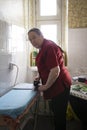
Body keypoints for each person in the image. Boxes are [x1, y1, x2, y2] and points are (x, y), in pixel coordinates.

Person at [28, 28, 72, 130]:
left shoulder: (48, 47)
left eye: (34, 37)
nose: (32, 41)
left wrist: (46, 86)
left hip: (61, 85)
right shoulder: (43, 47)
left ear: (41, 35)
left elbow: (55, 70)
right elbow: (46, 66)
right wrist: (39, 76)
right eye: (30, 40)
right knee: (56, 112)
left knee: (59, 115)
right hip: (57, 84)